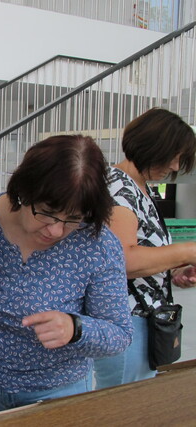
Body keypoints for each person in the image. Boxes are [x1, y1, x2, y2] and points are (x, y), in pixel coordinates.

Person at [0, 135, 133, 417]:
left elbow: (120, 334)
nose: (55, 230)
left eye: (73, 218)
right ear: (24, 191)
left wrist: (75, 328)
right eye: (47, 213)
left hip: (57, 391)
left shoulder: (97, 244)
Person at [93, 108, 196, 389]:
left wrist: (172, 271)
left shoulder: (139, 188)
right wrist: (187, 251)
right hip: (126, 319)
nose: (175, 166)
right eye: (173, 156)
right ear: (152, 146)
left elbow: (140, 251)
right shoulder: (118, 188)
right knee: (123, 401)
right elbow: (123, 260)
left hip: (141, 317)